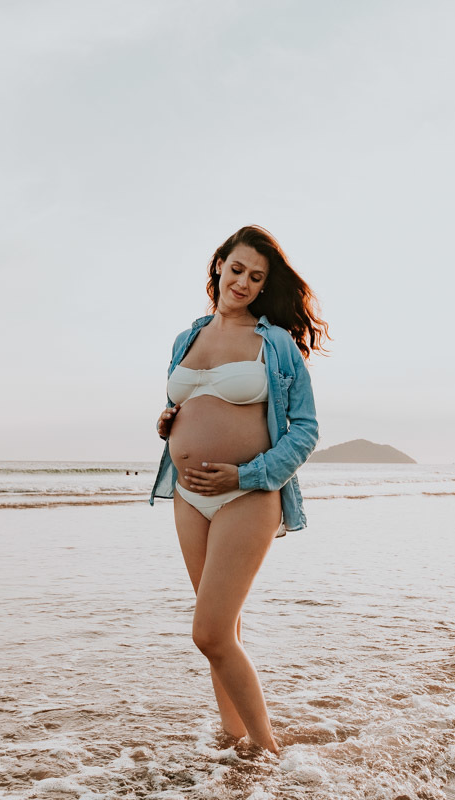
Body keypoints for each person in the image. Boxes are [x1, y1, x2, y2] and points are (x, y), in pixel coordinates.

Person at [149, 225, 328, 755]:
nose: (244, 282)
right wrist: (169, 424)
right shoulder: (187, 337)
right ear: (219, 265)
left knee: (209, 632)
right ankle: (236, 743)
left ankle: (268, 750)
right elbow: (189, 404)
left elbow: (306, 429)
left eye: (257, 276)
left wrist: (247, 475)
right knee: (223, 634)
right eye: (237, 269)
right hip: (188, 496)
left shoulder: (274, 344)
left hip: (246, 496)